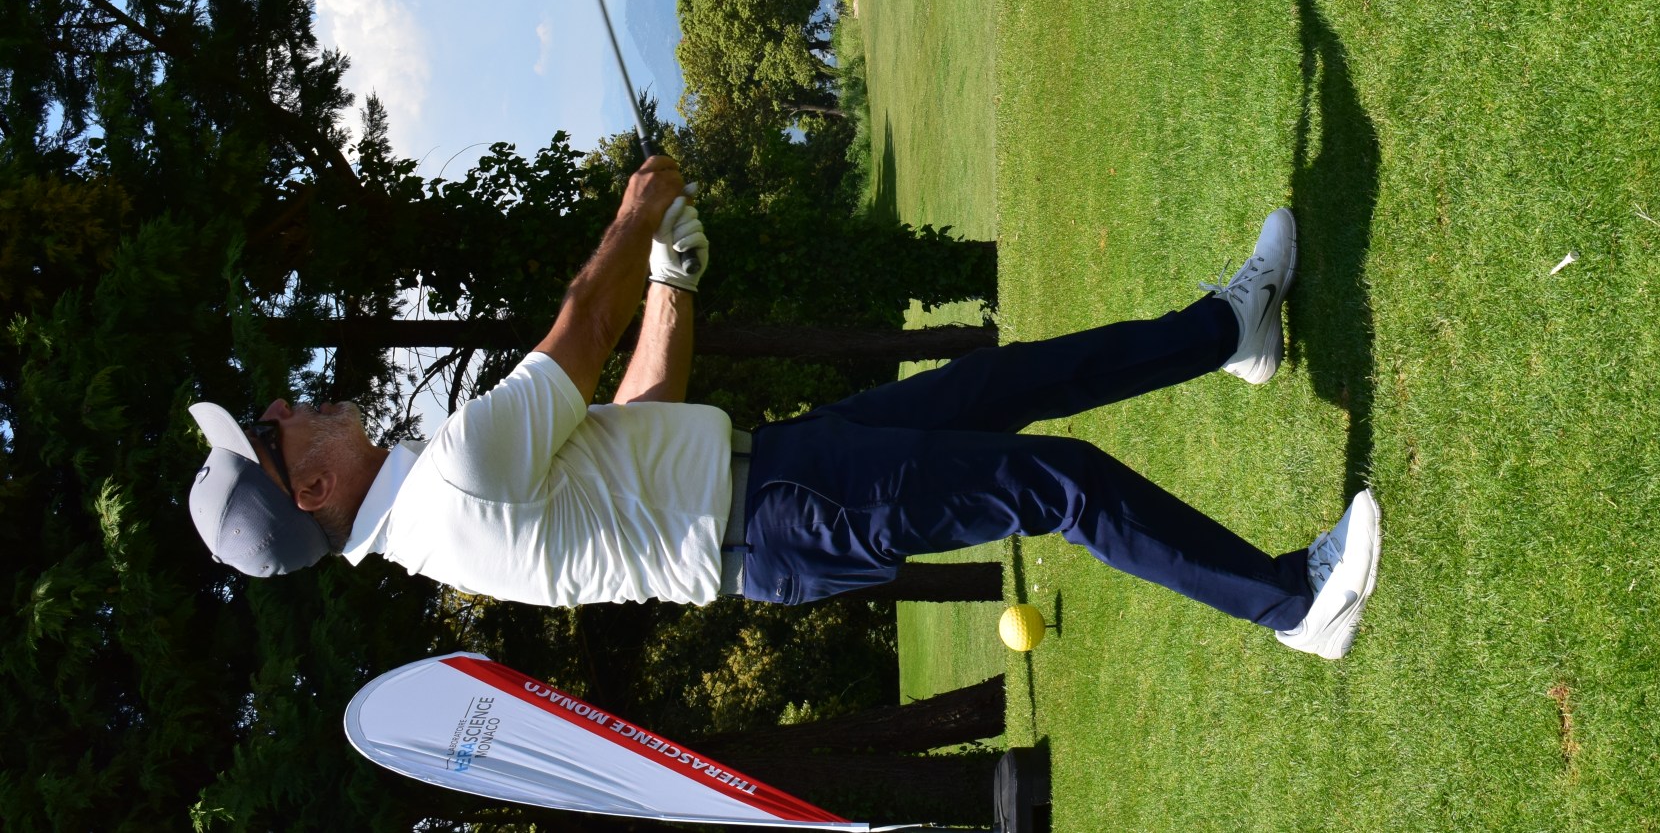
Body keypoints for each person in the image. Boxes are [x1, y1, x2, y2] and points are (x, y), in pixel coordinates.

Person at [187, 156, 1381, 659]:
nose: (288, 403)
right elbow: (580, 327)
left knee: (1013, 382)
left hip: (778, 478)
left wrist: (672, 277)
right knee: (1053, 483)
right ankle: (1292, 602)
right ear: (312, 486)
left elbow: (637, 410)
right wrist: (636, 211)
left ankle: (1227, 331)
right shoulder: (450, 478)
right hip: (780, 515)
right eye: (274, 429)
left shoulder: (443, 507)